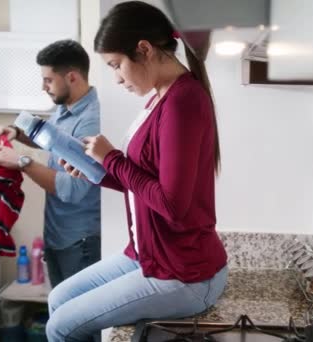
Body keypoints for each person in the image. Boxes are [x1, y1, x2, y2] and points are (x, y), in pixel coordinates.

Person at [45, 1, 228, 341]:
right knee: (56, 300)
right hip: (149, 254)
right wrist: (95, 171)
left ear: (143, 49)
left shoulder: (183, 102)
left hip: (185, 274)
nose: (115, 78)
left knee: (60, 327)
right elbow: (146, 185)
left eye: (116, 65)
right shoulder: (161, 97)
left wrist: (111, 158)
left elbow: (172, 204)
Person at [0, 39, 101, 287]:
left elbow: (73, 188)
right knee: (61, 314)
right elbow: (49, 140)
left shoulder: (92, 121)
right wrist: (15, 132)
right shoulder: (65, 107)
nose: (43, 87)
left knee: (79, 323)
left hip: (80, 242)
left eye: (48, 80)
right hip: (57, 234)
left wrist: (21, 162)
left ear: (71, 77)